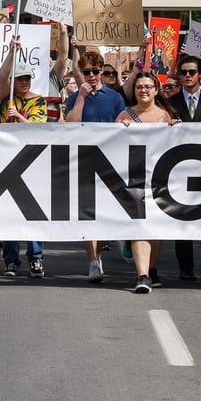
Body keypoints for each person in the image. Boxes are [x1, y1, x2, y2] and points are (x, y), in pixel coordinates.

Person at [65, 49, 126, 282]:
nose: (91, 75)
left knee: (103, 215)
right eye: (86, 71)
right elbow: (70, 124)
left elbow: (122, 121)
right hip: (83, 160)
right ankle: (92, 261)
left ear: (101, 71)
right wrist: (80, 96)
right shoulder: (74, 96)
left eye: (94, 71)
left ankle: (98, 253)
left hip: (109, 161)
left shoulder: (114, 97)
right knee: (88, 214)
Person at [115, 72, 177, 293]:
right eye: (139, 86)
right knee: (138, 225)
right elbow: (111, 145)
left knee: (155, 228)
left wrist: (176, 130)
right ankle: (142, 275)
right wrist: (119, 130)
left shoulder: (166, 115)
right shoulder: (125, 114)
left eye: (148, 86)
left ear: (156, 89)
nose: (143, 90)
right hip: (134, 179)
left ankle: (151, 269)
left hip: (160, 180)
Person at [166, 56, 201, 283]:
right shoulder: (169, 103)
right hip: (178, 170)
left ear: (200, 74)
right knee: (183, 222)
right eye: (183, 72)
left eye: (191, 72)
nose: (187, 76)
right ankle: (186, 268)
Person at [0, 34, 48, 276]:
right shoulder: (5, 99)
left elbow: (39, 127)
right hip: (6, 160)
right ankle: (10, 259)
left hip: (31, 160)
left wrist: (18, 116)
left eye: (27, 77)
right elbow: (2, 77)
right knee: (9, 213)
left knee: (33, 212)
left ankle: (36, 257)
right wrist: (11, 52)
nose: (25, 82)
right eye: (20, 78)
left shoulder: (39, 101)